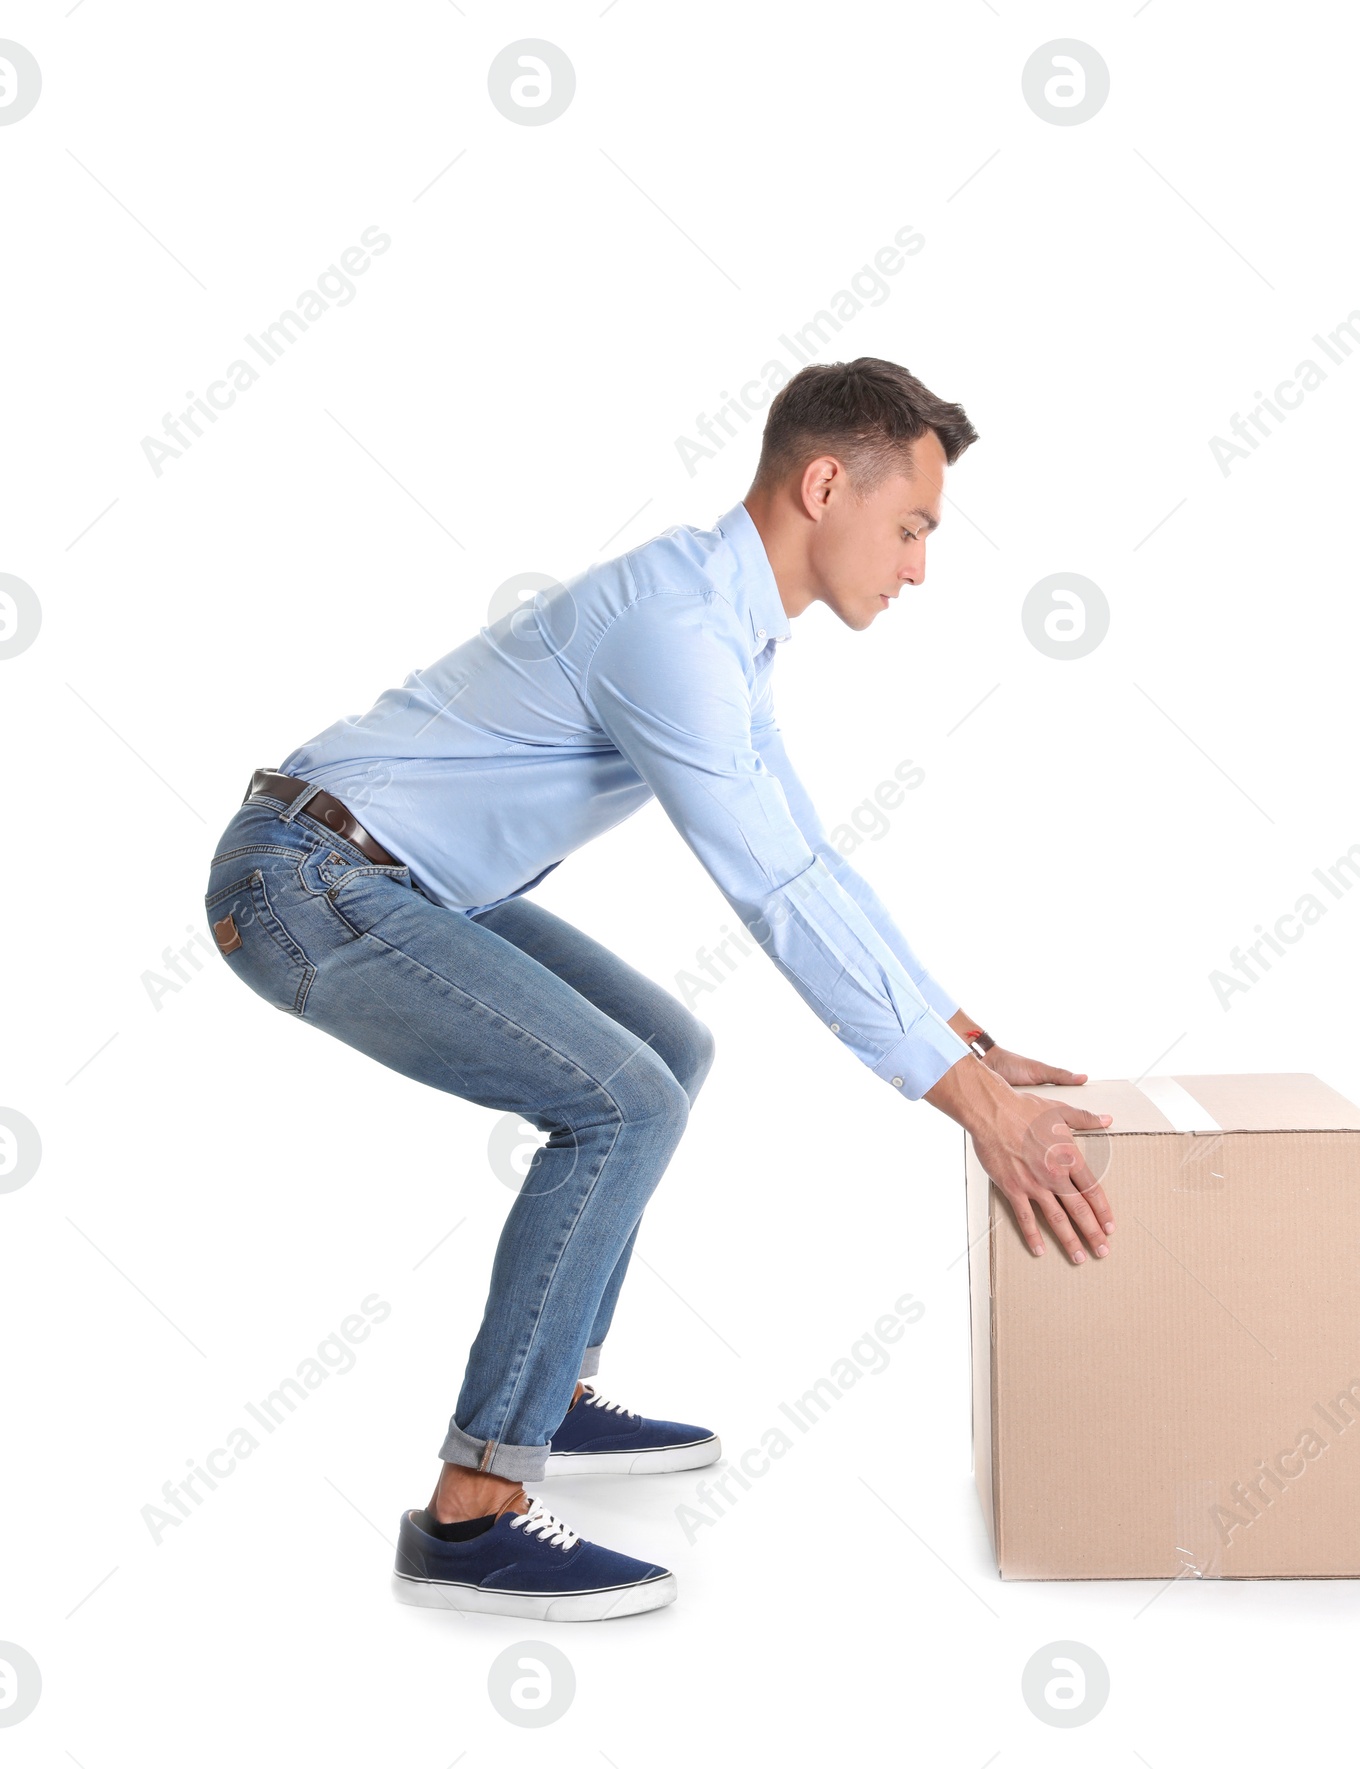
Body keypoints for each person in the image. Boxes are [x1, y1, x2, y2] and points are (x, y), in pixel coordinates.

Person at [202, 356, 1116, 1622]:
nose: (917, 567)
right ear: (823, 482)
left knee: (663, 1049)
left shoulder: (725, 631)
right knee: (620, 1100)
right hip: (307, 883)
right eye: (910, 527)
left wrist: (967, 1039)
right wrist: (969, 1107)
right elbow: (772, 893)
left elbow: (808, 856)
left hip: (386, 876)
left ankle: (552, 1387)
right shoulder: (675, 631)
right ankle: (472, 1515)